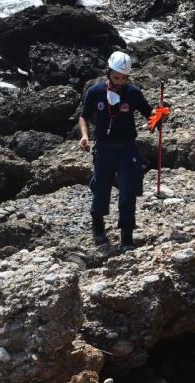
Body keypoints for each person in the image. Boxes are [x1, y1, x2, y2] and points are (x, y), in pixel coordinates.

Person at [78, 51, 167, 253]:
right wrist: (84, 136)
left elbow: (149, 114)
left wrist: (159, 114)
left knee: (128, 190)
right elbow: (83, 116)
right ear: (108, 72)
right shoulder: (95, 92)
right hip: (103, 148)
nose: (119, 81)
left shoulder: (133, 93)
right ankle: (98, 227)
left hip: (127, 148)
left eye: (123, 78)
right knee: (100, 187)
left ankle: (127, 236)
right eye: (116, 77)